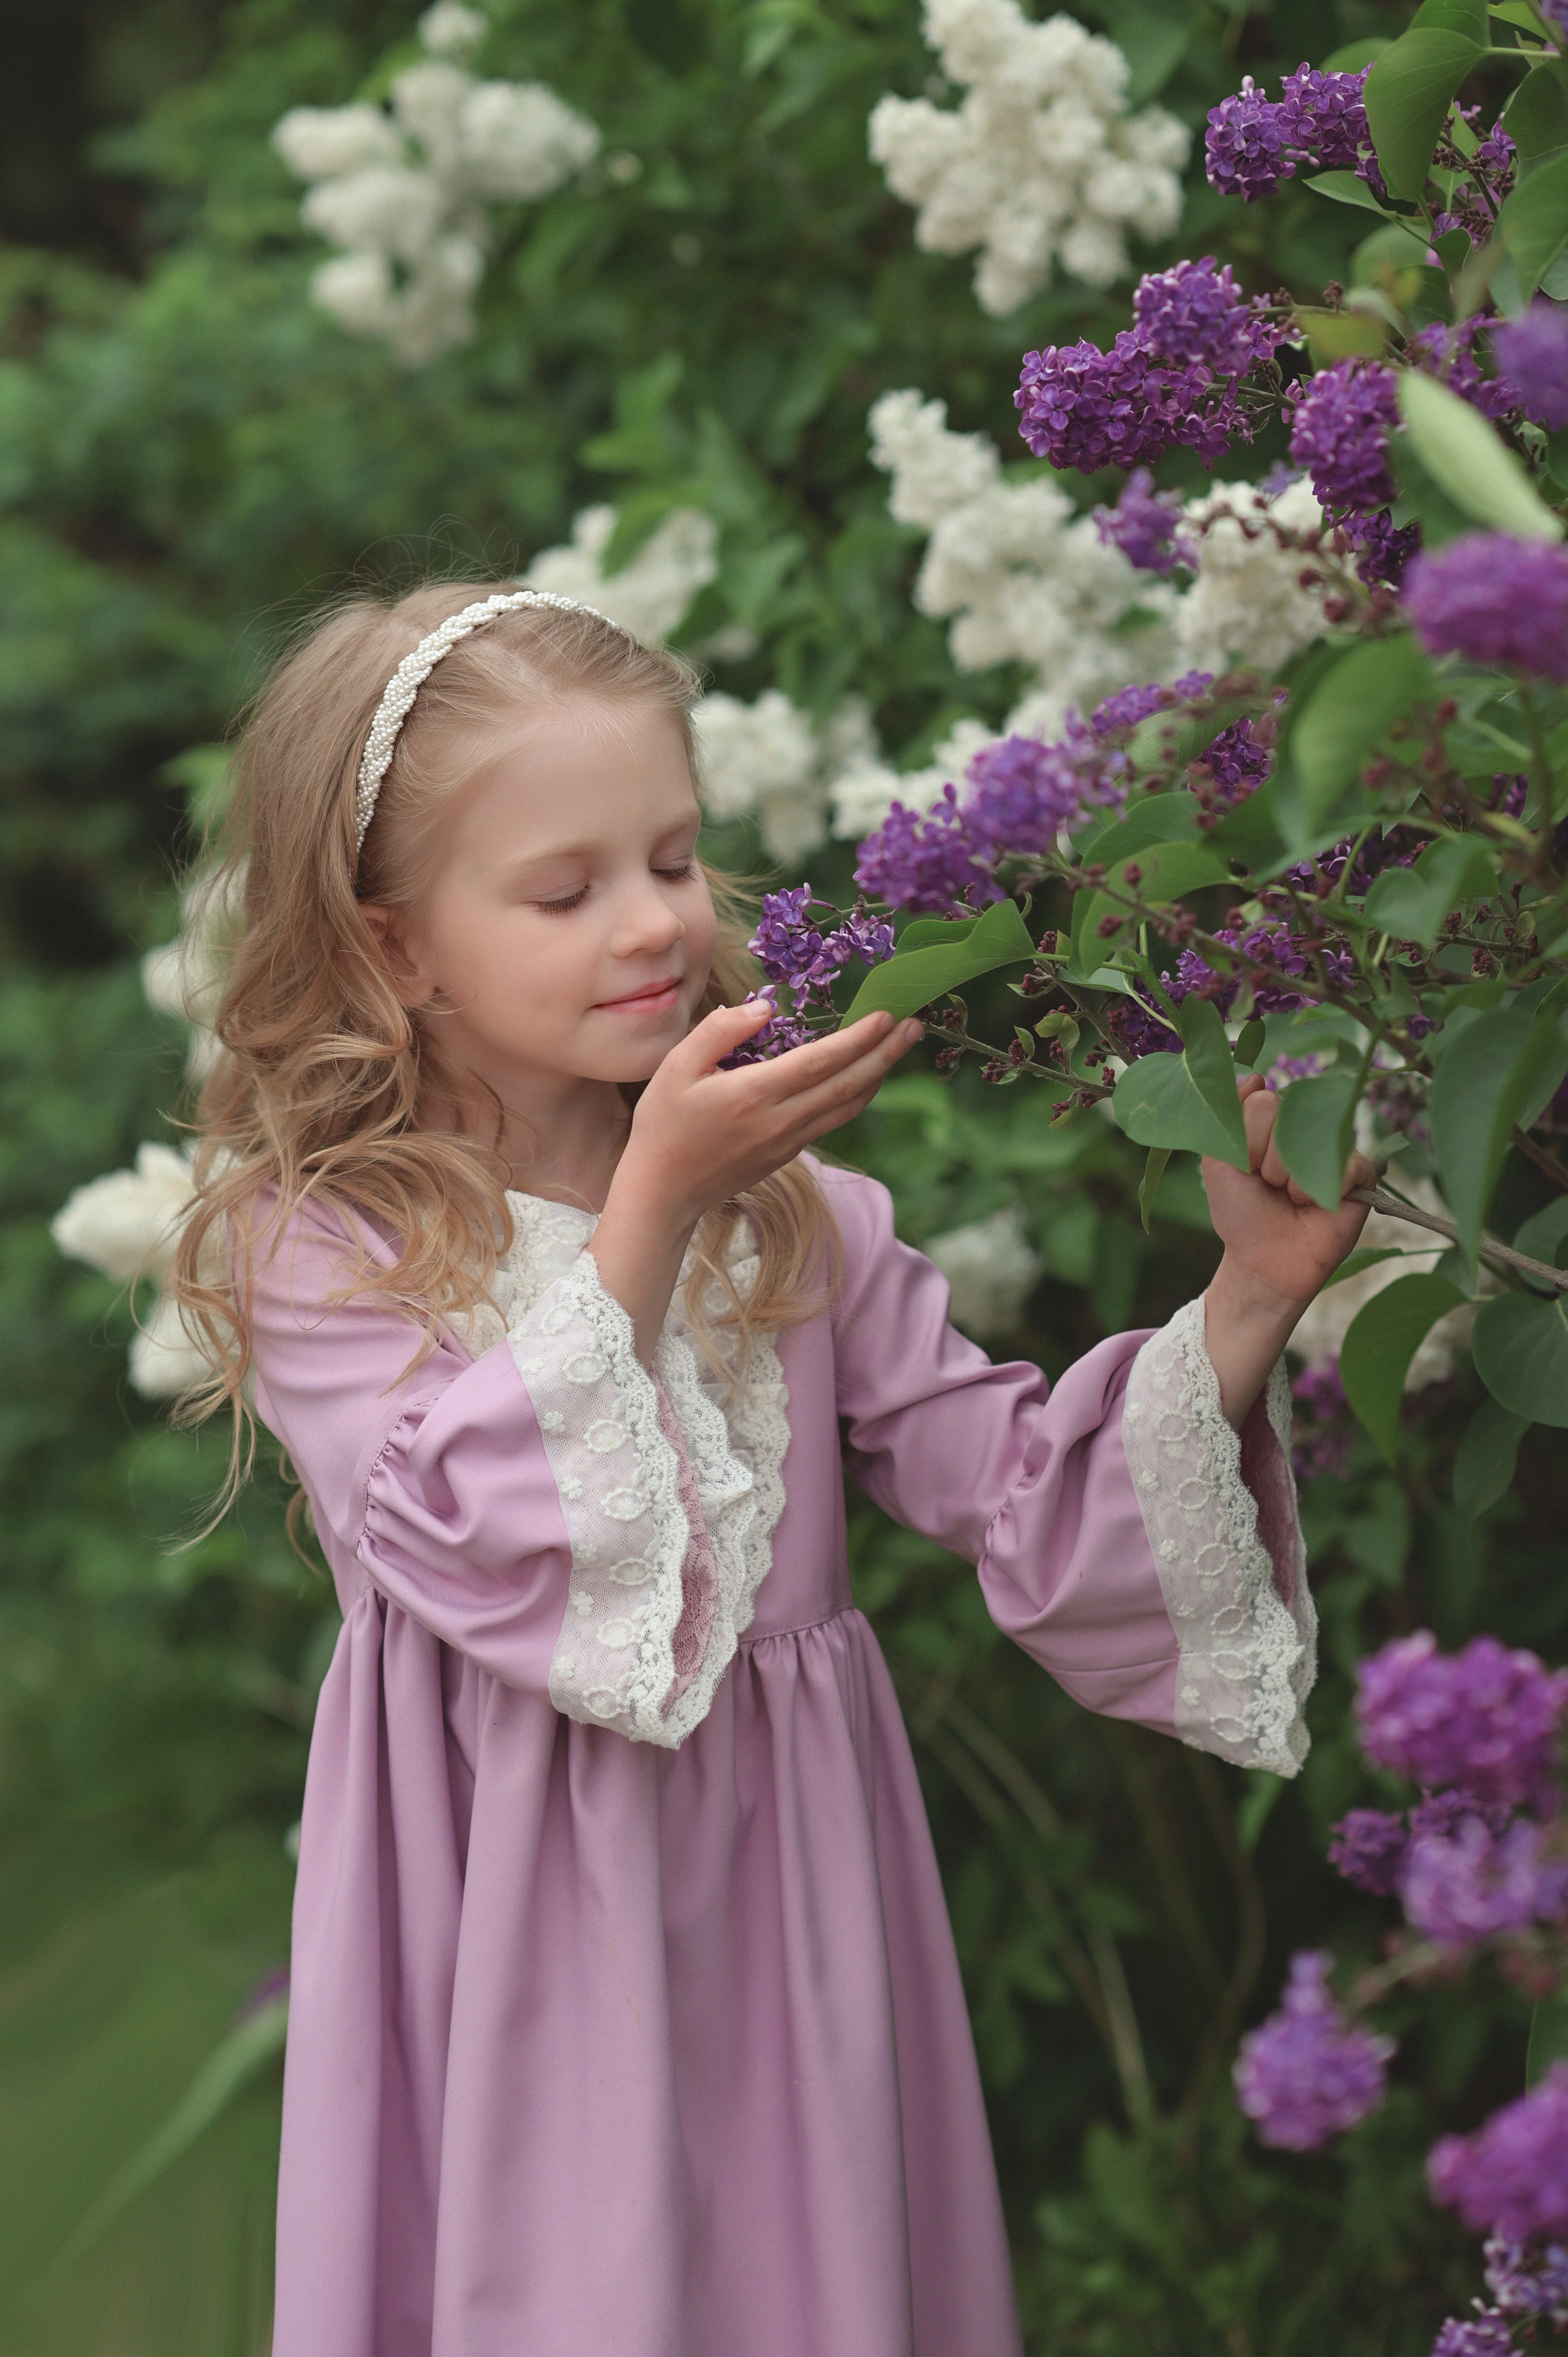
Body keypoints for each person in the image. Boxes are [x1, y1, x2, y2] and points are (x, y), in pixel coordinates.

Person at [170, 582, 1372, 2357]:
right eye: (567, 890)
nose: (656, 921)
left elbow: (1027, 1496)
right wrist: (651, 1201)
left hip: (789, 1907)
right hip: (501, 1916)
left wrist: (1252, 1299)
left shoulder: (799, 1220)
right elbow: (466, 1524)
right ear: (398, 948)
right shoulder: (330, 1243)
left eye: (675, 855)